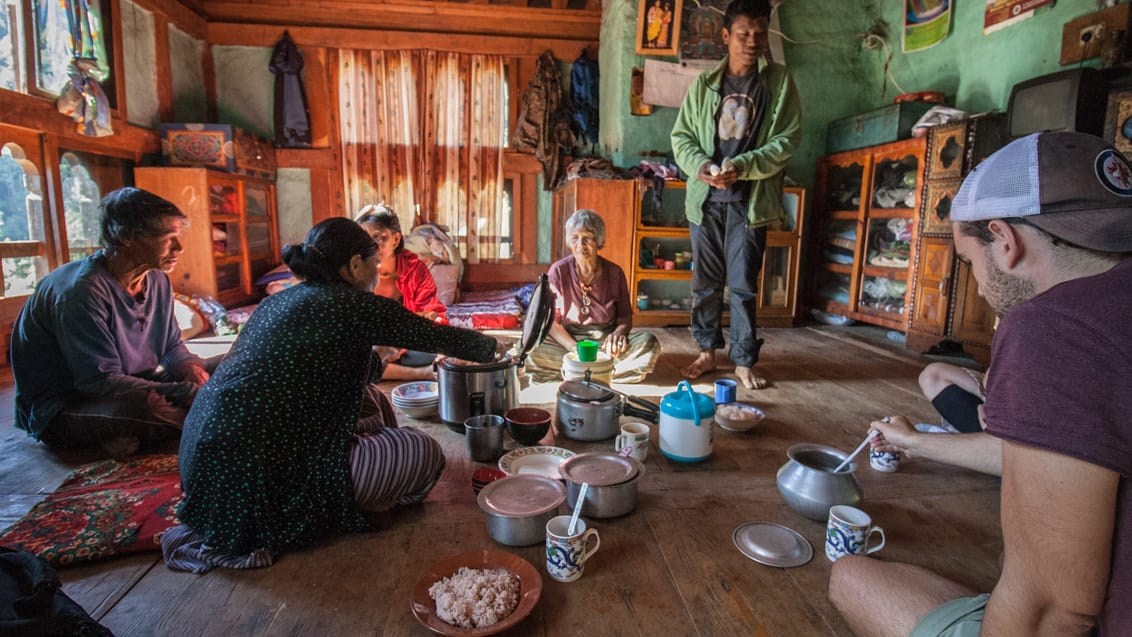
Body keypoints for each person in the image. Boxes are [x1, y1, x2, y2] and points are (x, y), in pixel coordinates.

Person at [830, 131, 1132, 636]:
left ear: (1005, 240)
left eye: (970, 262)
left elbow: (1053, 611)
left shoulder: (1056, 326)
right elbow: (1057, 452)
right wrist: (915, 442)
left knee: (852, 578)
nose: (974, 280)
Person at [163, 218, 497, 571]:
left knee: (375, 399)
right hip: (254, 489)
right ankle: (343, 494)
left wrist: (378, 355)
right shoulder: (354, 304)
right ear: (355, 265)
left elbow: (341, 368)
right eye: (375, 263)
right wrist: (497, 351)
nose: (379, 271)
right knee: (424, 451)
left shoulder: (279, 301)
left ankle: (362, 470)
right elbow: (442, 338)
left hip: (202, 468)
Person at [10, 187, 209, 458]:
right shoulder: (81, 292)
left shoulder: (157, 279)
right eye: (167, 237)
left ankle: (129, 435)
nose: (179, 248)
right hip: (69, 405)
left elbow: (171, 347)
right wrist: (183, 391)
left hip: (134, 382)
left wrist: (190, 369)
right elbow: (100, 381)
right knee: (151, 407)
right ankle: (210, 424)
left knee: (232, 365)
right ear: (125, 236)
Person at [670, 0, 801, 390]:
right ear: (726, 36)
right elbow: (682, 139)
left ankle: (743, 359)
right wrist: (705, 168)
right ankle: (707, 352)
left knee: (743, 284)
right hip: (706, 201)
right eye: (743, 33)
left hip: (750, 201)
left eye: (760, 33)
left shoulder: (778, 82)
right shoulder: (704, 85)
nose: (752, 41)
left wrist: (742, 165)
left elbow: (787, 140)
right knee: (705, 283)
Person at [525, 209, 660, 384]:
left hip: (605, 344)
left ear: (599, 241)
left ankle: (575, 372)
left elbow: (625, 317)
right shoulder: (558, 271)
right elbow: (552, 323)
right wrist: (575, 349)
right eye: (575, 238)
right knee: (529, 348)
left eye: (588, 238)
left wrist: (618, 334)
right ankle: (601, 373)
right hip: (569, 341)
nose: (581, 245)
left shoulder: (615, 272)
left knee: (649, 343)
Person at [355, 203, 447, 381]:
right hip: (370, 346)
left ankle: (384, 371)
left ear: (395, 239)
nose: (370, 245)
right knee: (353, 359)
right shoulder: (354, 269)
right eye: (363, 238)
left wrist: (398, 341)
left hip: (407, 343)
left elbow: (433, 312)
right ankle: (423, 373)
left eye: (377, 237)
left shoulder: (414, 269)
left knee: (438, 349)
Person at [867, 361, 998, 475]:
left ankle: (969, 440)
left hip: (1005, 449)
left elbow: (1004, 453)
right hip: (997, 417)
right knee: (933, 375)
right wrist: (987, 395)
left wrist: (913, 441)